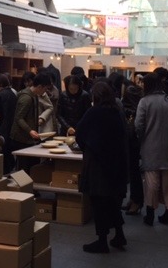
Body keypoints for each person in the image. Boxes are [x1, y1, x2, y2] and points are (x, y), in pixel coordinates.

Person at [75, 81, 128, 253]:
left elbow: (80, 133)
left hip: (97, 165)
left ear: (95, 96)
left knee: (98, 203)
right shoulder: (116, 112)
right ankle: (119, 234)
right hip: (115, 164)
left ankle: (102, 241)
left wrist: (86, 147)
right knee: (112, 202)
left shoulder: (94, 112)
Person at [135, 73, 168, 225]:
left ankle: (150, 213)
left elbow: (138, 125)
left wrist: (141, 139)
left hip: (150, 146)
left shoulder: (144, 102)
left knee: (151, 181)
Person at [9, 72, 51, 174]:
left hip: (28, 138)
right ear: (40, 86)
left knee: (32, 166)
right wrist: (30, 130)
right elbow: (19, 118)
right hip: (21, 139)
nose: (45, 91)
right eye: (45, 89)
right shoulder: (26, 98)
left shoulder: (34, 95)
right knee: (24, 169)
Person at [120, 80, 144, 216]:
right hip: (134, 142)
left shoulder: (129, 103)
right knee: (133, 172)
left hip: (132, 142)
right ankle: (134, 199)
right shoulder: (138, 101)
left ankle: (136, 201)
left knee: (134, 172)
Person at [0, 74, 18, 174]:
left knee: (3, 153)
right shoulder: (13, 94)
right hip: (11, 127)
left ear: (0, 84)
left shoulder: (1, 95)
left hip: (2, 127)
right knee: (8, 152)